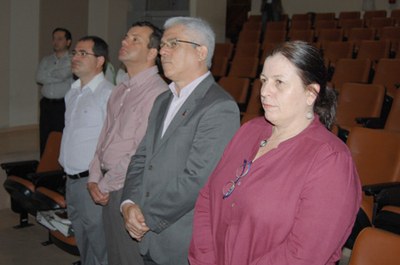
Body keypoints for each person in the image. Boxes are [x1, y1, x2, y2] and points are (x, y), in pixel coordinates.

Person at [189, 41, 362, 265]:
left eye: (279, 82)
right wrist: (205, 260)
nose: (264, 91)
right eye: (263, 80)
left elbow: (303, 255)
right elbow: (208, 198)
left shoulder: (331, 160)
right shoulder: (250, 130)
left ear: (310, 94)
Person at [120, 17, 241, 265]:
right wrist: (129, 202)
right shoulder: (162, 100)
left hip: (181, 241)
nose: (163, 51)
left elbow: (197, 178)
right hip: (149, 235)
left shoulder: (219, 106)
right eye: (163, 44)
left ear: (201, 52)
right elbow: (142, 157)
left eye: (173, 43)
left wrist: (146, 217)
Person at [87, 21, 168, 265]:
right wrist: (93, 175)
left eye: (135, 39)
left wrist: (105, 183)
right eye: (125, 37)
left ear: (153, 52)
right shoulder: (120, 89)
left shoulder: (158, 93)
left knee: (127, 256)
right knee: (114, 254)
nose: (125, 42)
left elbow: (139, 152)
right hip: (106, 182)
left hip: (126, 186)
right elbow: (104, 137)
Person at [59, 35, 114, 265]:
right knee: (82, 239)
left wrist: (103, 181)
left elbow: (112, 142)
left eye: (83, 53)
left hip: (92, 181)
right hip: (70, 179)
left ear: (100, 60)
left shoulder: (109, 94)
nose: (76, 57)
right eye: (75, 53)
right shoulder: (72, 92)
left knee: (100, 243)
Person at [36, 27, 73, 156]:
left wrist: (49, 74)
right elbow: (39, 77)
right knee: (44, 134)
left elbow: (64, 74)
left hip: (62, 104)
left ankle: (59, 165)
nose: (55, 42)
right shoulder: (46, 60)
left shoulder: (72, 59)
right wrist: (55, 74)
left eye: (59, 39)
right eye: (54, 39)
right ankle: (44, 162)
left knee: (60, 135)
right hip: (46, 103)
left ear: (68, 42)